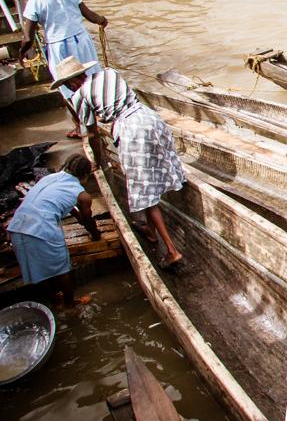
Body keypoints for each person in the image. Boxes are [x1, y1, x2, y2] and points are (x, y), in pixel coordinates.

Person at [50, 55, 186, 268]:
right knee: (156, 174)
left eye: (67, 85)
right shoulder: (109, 73)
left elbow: (93, 134)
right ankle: (151, 230)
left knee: (144, 192)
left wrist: (97, 160)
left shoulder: (79, 97)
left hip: (132, 131)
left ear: (70, 82)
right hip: (149, 118)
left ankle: (172, 250)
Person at [18, 0, 108, 139]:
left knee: (67, 86)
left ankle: (80, 125)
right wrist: (102, 21)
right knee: (91, 78)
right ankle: (100, 114)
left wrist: (22, 54)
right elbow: (90, 15)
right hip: (82, 41)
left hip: (59, 46)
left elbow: (28, 37)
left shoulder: (35, 1)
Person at [6, 154, 100, 307]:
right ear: (85, 175)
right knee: (63, 270)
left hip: (17, 226)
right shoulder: (82, 195)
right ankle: (70, 304)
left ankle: (54, 298)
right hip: (42, 230)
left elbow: (63, 204)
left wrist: (78, 218)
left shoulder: (49, 178)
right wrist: (95, 234)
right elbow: (89, 220)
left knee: (37, 268)